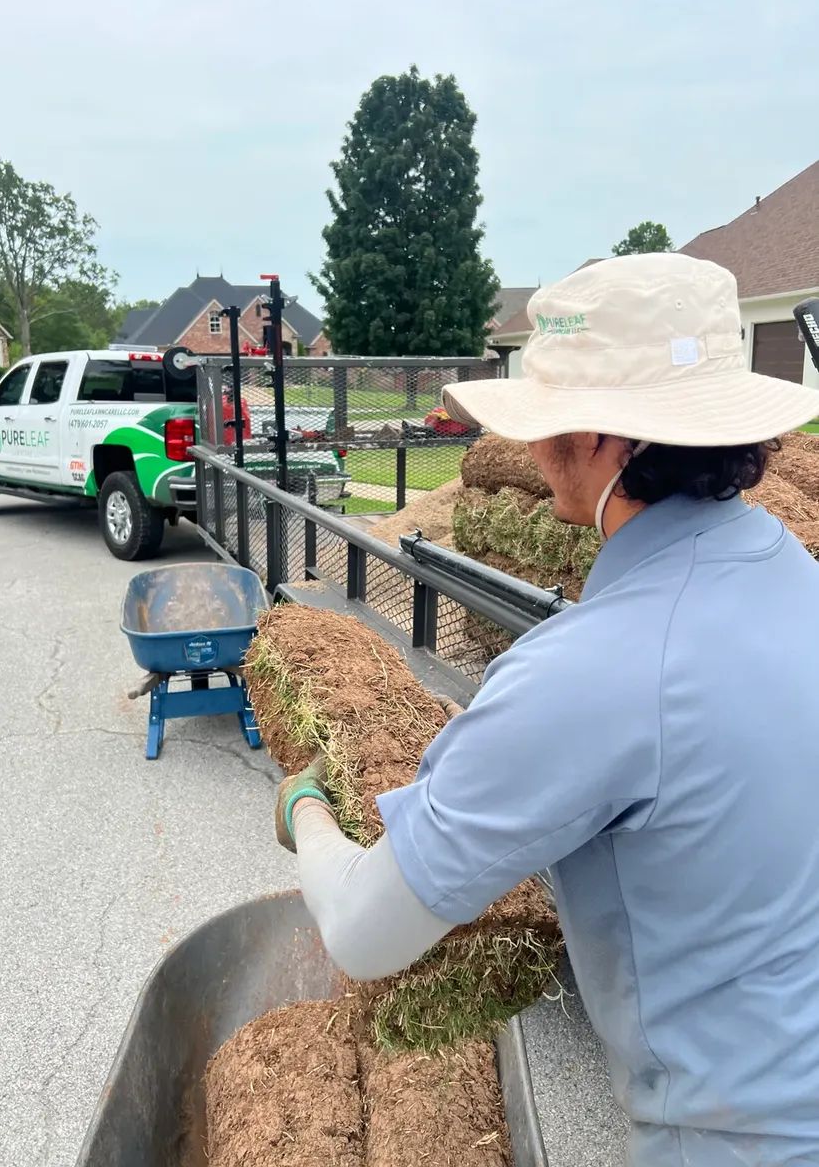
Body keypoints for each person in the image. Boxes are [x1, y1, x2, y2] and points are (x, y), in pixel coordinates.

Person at [274, 253, 819, 1166]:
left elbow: (367, 936)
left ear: (614, 437)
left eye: (550, 417)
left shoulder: (592, 670)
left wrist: (309, 816)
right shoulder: (791, 573)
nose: (531, 450)